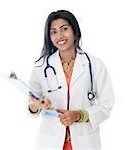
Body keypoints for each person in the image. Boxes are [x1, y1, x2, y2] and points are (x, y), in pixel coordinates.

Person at [27, 10, 115, 150]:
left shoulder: (95, 64)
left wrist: (79, 115)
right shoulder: (41, 67)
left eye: (64, 29)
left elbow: (107, 104)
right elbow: (32, 106)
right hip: (50, 141)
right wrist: (36, 105)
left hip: (84, 141)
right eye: (53, 32)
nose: (59, 36)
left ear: (75, 31)